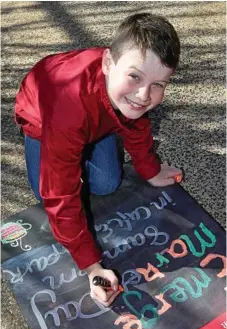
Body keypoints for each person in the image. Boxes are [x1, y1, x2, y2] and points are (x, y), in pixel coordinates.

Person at [14, 12, 182, 306]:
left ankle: (84, 143)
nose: (145, 94)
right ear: (107, 63)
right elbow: (60, 193)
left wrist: (149, 169)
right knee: (46, 191)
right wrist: (92, 266)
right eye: (135, 77)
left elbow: (137, 122)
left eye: (159, 85)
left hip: (98, 116)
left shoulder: (128, 93)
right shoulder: (68, 110)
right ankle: (68, 147)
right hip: (44, 120)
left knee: (106, 183)